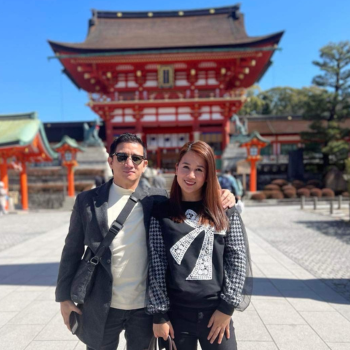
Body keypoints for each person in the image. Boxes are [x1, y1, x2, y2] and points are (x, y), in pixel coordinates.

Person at [56, 133, 236, 350]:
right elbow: (71, 251)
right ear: (110, 160)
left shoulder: (159, 200)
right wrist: (64, 297)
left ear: (144, 164)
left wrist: (226, 195)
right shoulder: (88, 201)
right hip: (101, 302)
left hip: (144, 307)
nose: (129, 163)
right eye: (122, 157)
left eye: (136, 158)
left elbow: (194, 195)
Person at [147, 141, 252, 350]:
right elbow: (156, 263)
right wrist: (159, 315)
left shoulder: (224, 211)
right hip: (175, 315)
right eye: (185, 167)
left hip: (216, 313)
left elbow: (237, 259)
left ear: (209, 174)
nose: (191, 175)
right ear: (176, 168)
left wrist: (227, 308)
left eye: (199, 169)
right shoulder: (162, 213)